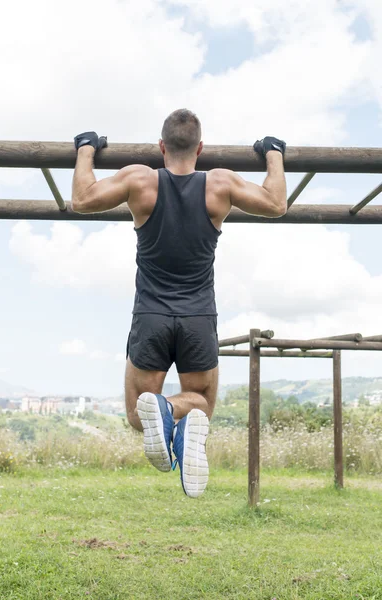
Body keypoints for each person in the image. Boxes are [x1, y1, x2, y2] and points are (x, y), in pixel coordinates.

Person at [72, 109, 287, 498]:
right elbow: (276, 203)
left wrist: (87, 147)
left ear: (161, 146)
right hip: (199, 317)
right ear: (200, 148)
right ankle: (175, 414)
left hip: (151, 315)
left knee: (139, 415)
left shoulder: (140, 179)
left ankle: (163, 410)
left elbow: (82, 199)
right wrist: (272, 152)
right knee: (202, 402)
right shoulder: (219, 184)